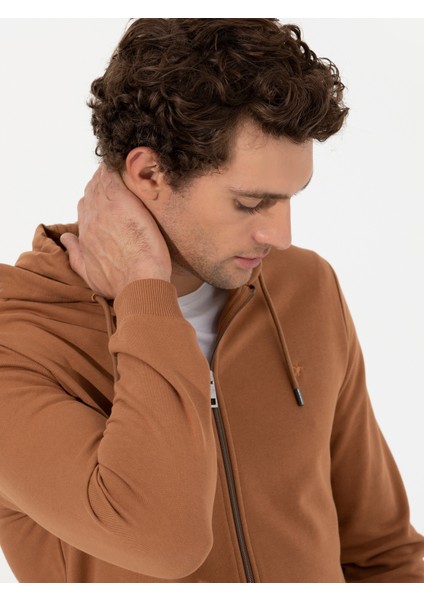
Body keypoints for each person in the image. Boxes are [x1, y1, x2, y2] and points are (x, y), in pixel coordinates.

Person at [0, 18, 422, 584]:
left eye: (290, 199)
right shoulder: (18, 336)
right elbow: (163, 540)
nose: (281, 236)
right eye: (250, 204)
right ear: (150, 172)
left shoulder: (304, 287)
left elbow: (383, 551)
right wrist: (144, 292)